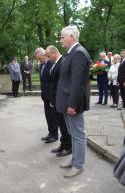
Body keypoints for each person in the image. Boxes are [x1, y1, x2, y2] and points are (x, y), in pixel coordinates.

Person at [56, 25, 90, 178]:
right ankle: (74, 159)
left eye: (63, 37)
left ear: (72, 37)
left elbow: (77, 83)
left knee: (78, 135)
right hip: (67, 102)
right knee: (73, 133)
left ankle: (78, 165)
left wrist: (72, 105)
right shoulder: (72, 53)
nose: (61, 40)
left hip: (72, 104)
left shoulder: (78, 53)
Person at [45, 45, 72, 157]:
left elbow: (63, 84)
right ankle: (63, 144)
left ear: (54, 53)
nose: (48, 57)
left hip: (61, 99)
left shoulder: (63, 62)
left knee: (65, 125)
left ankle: (68, 146)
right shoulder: (56, 63)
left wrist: (57, 99)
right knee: (61, 123)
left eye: (49, 55)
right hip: (55, 99)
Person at [34, 47, 59, 143]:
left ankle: (54, 135)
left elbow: (53, 82)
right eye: (38, 59)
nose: (39, 61)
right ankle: (50, 133)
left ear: (45, 55)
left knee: (53, 116)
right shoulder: (42, 65)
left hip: (51, 96)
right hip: (45, 96)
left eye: (40, 58)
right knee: (48, 116)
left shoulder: (51, 64)